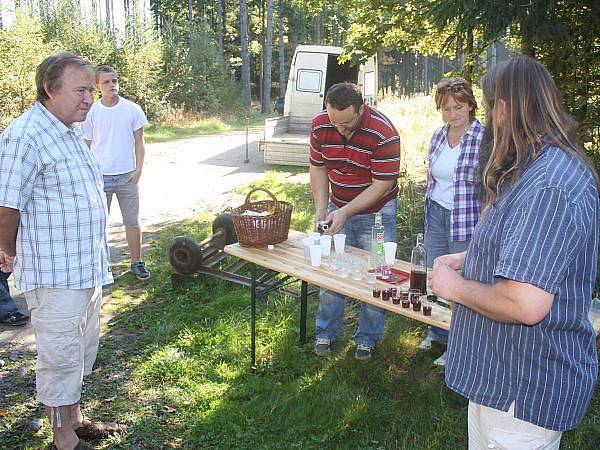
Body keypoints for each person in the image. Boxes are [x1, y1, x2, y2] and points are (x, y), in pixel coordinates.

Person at [429, 57, 599, 448]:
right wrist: (471, 259)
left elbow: (525, 303)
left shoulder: (549, 184)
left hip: (523, 390)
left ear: (503, 107)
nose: (488, 119)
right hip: (501, 381)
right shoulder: (533, 165)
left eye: (488, 108)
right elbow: (526, 249)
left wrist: (453, 287)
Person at [0, 52, 117, 450]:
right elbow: (7, 202)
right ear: (50, 89)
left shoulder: (67, 129)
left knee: (81, 349)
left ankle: (77, 418)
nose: (90, 98)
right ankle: (63, 439)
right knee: (59, 357)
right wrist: (6, 250)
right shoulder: (26, 135)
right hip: (54, 275)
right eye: (81, 90)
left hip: (84, 269)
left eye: (92, 89)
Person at [309, 82, 401, 360]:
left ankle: (368, 337)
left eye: (346, 123)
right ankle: (325, 331)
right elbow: (318, 167)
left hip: (378, 212)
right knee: (331, 270)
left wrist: (345, 212)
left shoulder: (384, 133)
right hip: (338, 205)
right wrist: (322, 208)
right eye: (334, 122)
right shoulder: (321, 125)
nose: (339, 129)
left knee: (379, 272)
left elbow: (382, 186)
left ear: (362, 109)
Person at [418, 77, 484, 367]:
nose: (453, 114)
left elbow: (491, 186)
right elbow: (433, 179)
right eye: (446, 109)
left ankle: (459, 344)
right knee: (436, 276)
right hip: (437, 215)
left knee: (460, 284)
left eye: (459, 107)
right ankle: (437, 333)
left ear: (471, 105)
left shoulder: (485, 138)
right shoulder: (438, 136)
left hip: (466, 221)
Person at [82, 65, 150, 280]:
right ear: (97, 86)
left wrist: (138, 170)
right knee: (99, 224)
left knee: (132, 221)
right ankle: (102, 266)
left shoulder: (132, 109)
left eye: (114, 80)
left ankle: (136, 262)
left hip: (127, 176)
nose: (112, 85)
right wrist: (88, 174)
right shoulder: (91, 111)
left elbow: (139, 142)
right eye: (107, 82)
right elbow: (86, 144)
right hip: (100, 177)